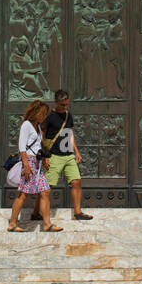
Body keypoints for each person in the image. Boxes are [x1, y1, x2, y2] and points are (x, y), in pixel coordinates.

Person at [40, 88, 93, 223]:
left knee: (76, 181)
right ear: (55, 102)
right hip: (54, 156)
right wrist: (45, 156)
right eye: (62, 105)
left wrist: (76, 151)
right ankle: (37, 212)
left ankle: (77, 212)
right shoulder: (49, 117)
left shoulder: (68, 115)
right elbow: (42, 136)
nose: (64, 107)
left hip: (68, 154)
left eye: (66, 104)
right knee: (47, 187)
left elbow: (70, 134)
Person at [7, 100, 60, 233]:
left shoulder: (36, 127)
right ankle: (12, 223)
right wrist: (25, 165)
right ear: (36, 113)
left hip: (37, 164)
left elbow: (37, 146)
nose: (44, 117)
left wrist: (44, 158)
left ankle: (47, 224)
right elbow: (22, 147)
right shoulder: (26, 125)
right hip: (29, 164)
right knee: (24, 194)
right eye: (43, 114)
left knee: (45, 191)